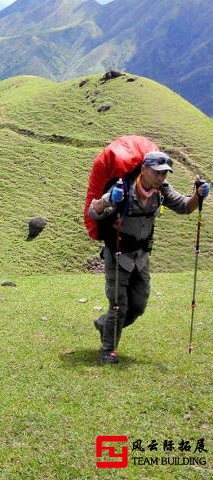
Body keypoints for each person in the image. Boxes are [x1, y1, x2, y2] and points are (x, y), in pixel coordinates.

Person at [88, 151, 209, 364]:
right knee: (119, 305)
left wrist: (198, 196)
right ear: (144, 169)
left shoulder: (161, 191)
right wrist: (109, 200)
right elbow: (93, 210)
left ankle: (103, 324)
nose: (161, 178)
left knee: (139, 305)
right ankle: (108, 350)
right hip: (117, 254)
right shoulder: (123, 188)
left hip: (141, 257)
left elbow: (185, 207)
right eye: (157, 173)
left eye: (165, 174)